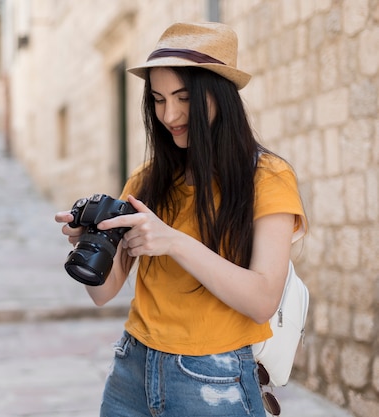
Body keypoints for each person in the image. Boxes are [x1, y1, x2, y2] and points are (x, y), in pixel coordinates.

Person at [55, 22, 307, 416]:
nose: (169, 114)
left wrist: (172, 241)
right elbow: (103, 294)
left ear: (218, 95)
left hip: (214, 380)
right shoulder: (146, 180)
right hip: (131, 371)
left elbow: (262, 300)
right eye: (157, 99)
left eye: (183, 97)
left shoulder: (268, 177)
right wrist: (87, 239)